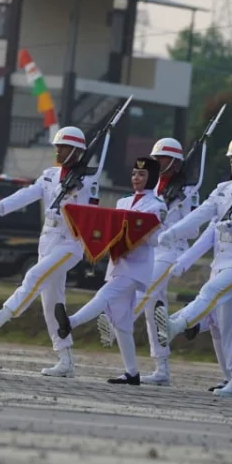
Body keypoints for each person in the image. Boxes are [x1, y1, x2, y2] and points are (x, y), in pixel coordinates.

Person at [151, 134, 232, 397]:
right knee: (227, 322)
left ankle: (176, 324)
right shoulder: (222, 190)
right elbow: (201, 215)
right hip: (222, 263)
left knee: (208, 293)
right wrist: (172, 232)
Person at [0, 126, 99, 378]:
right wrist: (1, 207)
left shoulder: (88, 180)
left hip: (70, 244)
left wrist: (78, 189)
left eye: (63, 147)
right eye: (57, 146)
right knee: (52, 305)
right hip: (48, 241)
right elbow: (28, 194)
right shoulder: (49, 175)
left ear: (76, 151)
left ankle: (2, 316)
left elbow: (92, 215)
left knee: (33, 275)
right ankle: (65, 360)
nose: (58, 150)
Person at [54, 157, 166, 384]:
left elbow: (154, 240)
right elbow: (109, 229)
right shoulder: (123, 203)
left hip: (137, 268)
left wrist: (136, 234)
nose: (136, 178)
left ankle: (71, 322)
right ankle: (132, 373)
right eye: (134, 174)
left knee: (104, 295)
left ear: (152, 178)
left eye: (142, 175)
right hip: (119, 265)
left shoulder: (157, 205)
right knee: (121, 323)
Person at [95, 138, 196, 386]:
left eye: (163, 158)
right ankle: (162, 369)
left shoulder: (188, 190)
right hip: (149, 251)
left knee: (145, 292)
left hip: (171, 251)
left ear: (174, 162)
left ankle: (114, 320)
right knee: (155, 309)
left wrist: (169, 229)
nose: (158, 162)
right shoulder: (151, 186)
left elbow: (192, 230)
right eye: (157, 157)